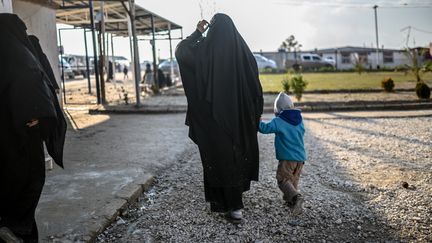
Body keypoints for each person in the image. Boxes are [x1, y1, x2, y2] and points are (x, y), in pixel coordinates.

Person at [175, 13, 263, 223]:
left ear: (212, 29)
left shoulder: (204, 51)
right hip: (240, 121)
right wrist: (252, 117)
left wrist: (197, 33)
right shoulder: (244, 53)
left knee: (219, 159)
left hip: (214, 122)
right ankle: (235, 206)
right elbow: (256, 90)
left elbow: (181, 52)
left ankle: (229, 205)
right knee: (236, 156)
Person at [0, 14, 66, 242]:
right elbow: (38, 84)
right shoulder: (22, 56)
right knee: (29, 181)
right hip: (22, 138)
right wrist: (37, 116)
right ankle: (16, 227)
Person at [258, 92, 307, 215]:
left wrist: (257, 120)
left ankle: (296, 198)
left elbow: (264, 128)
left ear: (278, 110)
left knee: (282, 179)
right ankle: (291, 202)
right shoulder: (300, 120)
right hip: (300, 158)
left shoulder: (279, 121)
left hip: (287, 158)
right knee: (293, 179)